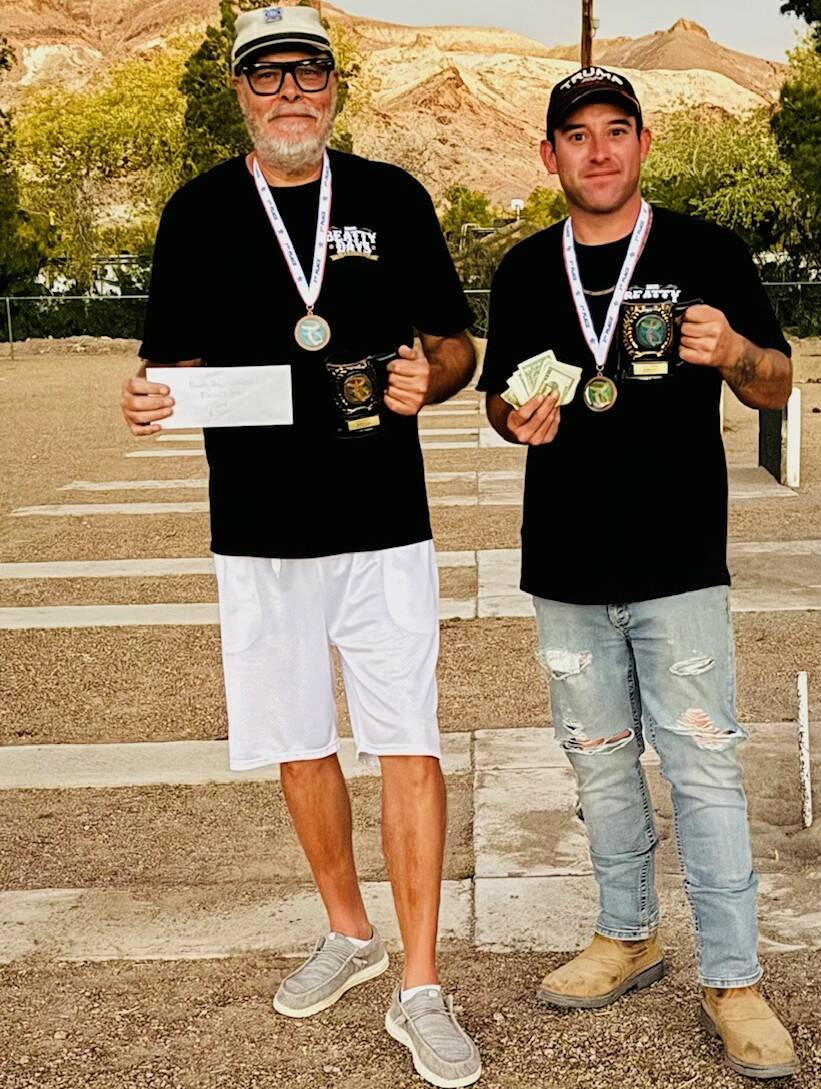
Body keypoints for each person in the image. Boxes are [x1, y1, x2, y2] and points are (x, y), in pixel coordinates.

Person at [119, 8, 481, 1086]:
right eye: (266, 75)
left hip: (383, 524)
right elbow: (168, 367)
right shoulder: (195, 213)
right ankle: (348, 931)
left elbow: (456, 344)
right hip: (259, 527)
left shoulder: (390, 199)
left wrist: (436, 377)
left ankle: (418, 984)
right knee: (298, 738)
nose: (289, 92)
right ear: (241, 93)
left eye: (307, 73)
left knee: (406, 738)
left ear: (334, 87)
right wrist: (147, 399)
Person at [479, 66, 800, 1081]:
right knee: (599, 763)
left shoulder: (705, 251)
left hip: (676, 564)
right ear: (549, 156)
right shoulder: (527, 270)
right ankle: (627, 935)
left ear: (642, 144)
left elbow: (777, 383)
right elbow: (498, 397)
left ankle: (735, 979)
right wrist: (511, 417)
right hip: (565, 565)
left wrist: (737, 349)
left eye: (616, 130)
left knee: (702, 765)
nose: (599, 150)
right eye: (576, 135)